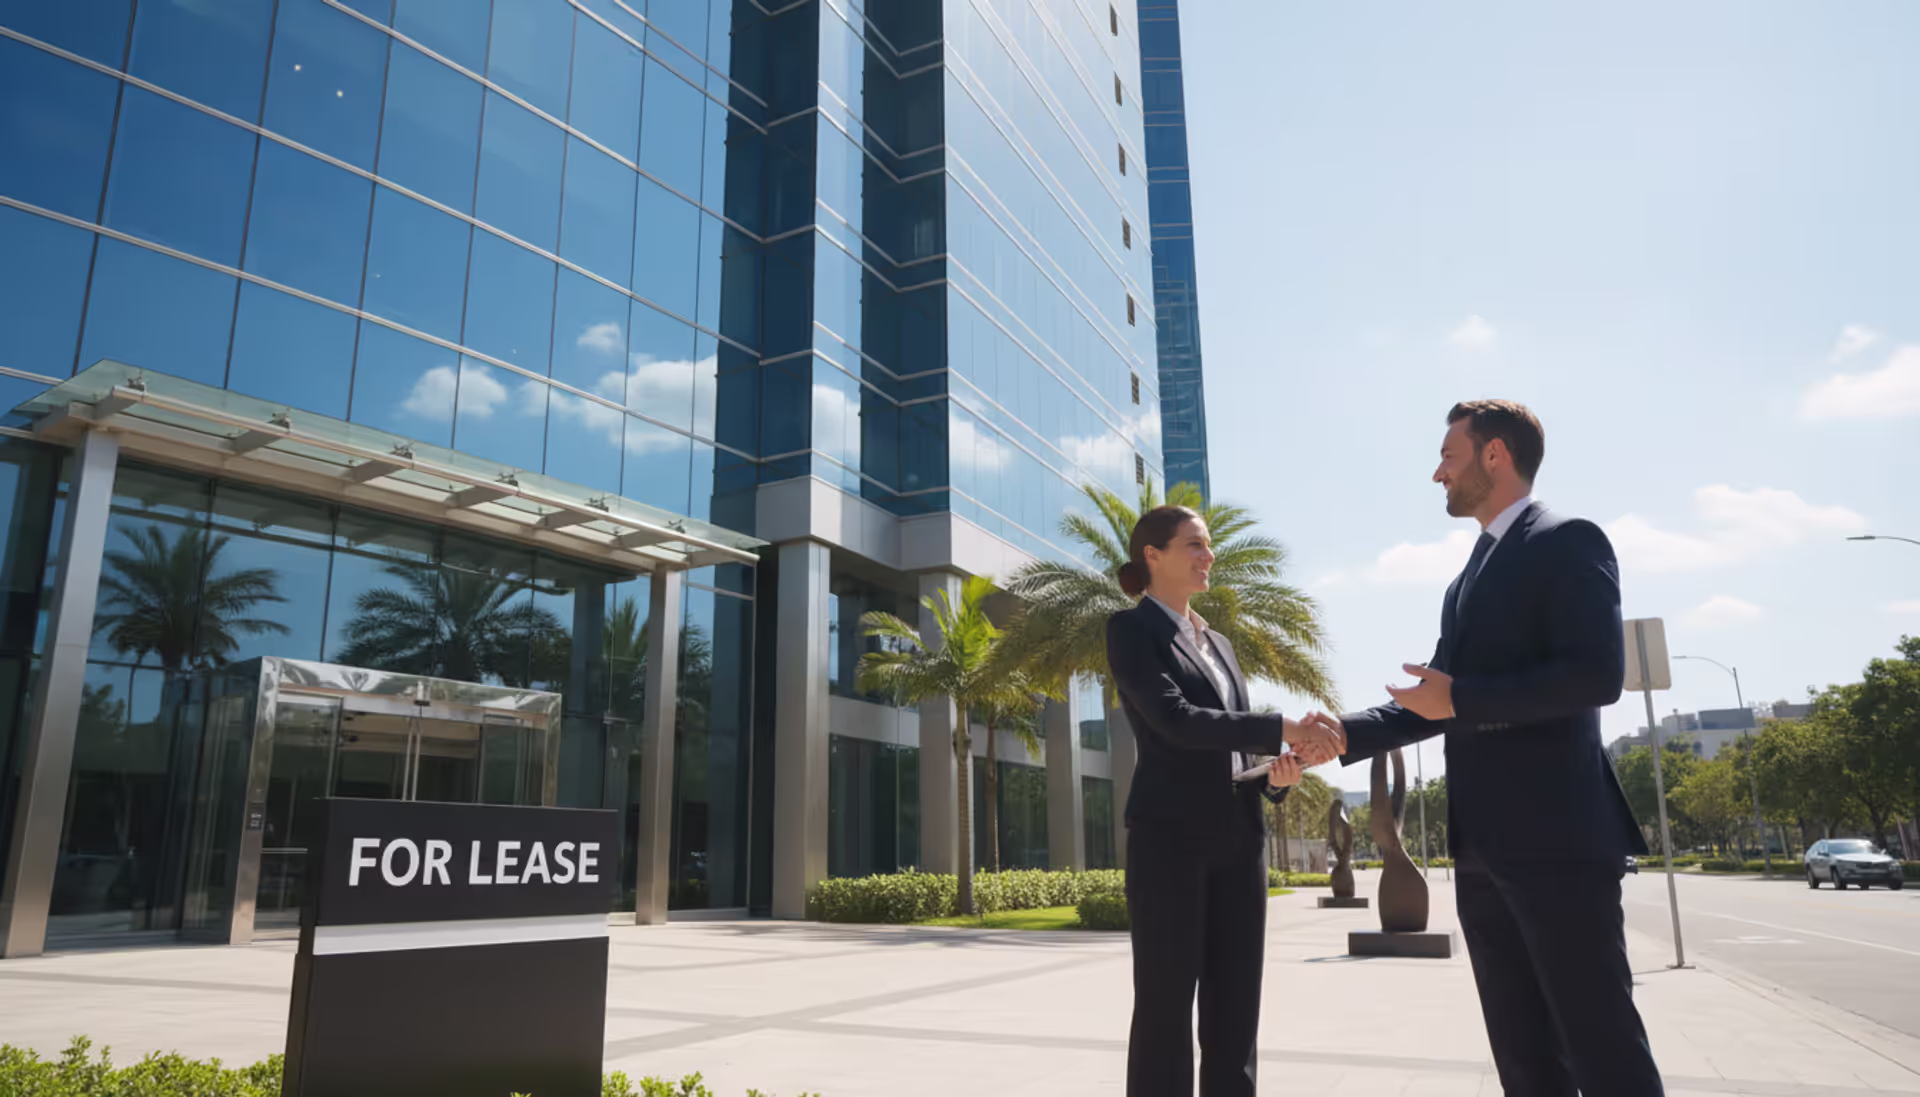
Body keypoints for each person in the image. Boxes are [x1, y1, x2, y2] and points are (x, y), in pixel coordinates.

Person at [1330, 400, 1662, 1096]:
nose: (1437, 473)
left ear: (1494, 454)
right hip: (1481, 853)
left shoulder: (1570, 538)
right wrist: (1340, 733)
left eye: (1448, 456)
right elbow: (1433, 700)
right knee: (1523, 1058)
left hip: (1558, 845)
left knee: (1602, 1048)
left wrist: (1462, 698)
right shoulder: (1466, 577)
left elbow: (1595, 675)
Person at [1105, 504, 1344, 1097]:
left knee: (1236, 1008)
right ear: (1152, 557)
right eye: (1194, 545)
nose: (1208, 556)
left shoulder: (1222, 644)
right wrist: (1283, 726)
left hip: (1241, 843)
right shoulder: (1132, 631)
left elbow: (1232, 747)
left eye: (1208, 545)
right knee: (1164, 1010)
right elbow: (1176, 720)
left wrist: (1277, 775)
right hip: (1170, 845)